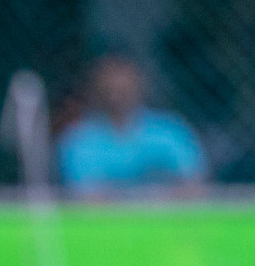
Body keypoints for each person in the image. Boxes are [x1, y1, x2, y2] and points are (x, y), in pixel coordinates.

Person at [58, 54, 206, 196]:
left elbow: (194, 187)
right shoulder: (80, 140)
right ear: (96, 89)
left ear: (140, 86)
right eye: (110, 89)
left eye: (123, 89)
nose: (116, 96)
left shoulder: (170, 132)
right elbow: (86, 198)